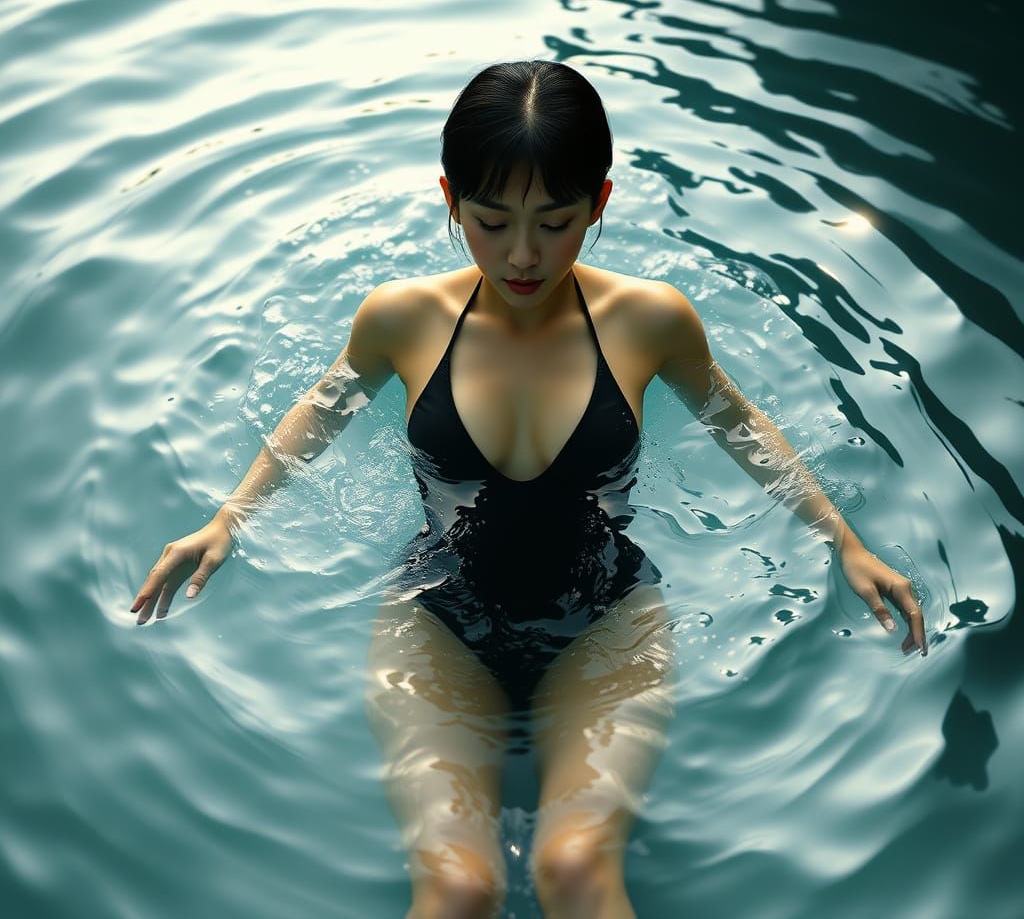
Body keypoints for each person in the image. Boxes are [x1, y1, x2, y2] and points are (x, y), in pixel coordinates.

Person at [131, 60, 927, 919]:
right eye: (489, 221)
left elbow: (741, 425)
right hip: (437, 616)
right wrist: (228, 520)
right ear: (449, 197)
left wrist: (840, 537)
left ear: (600, 203)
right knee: (460, 888)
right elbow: (318, 410)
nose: (520, 254)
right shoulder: (401, 318)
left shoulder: (649, 319)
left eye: (554, 222)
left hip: (608, 614)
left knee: (577, 870)